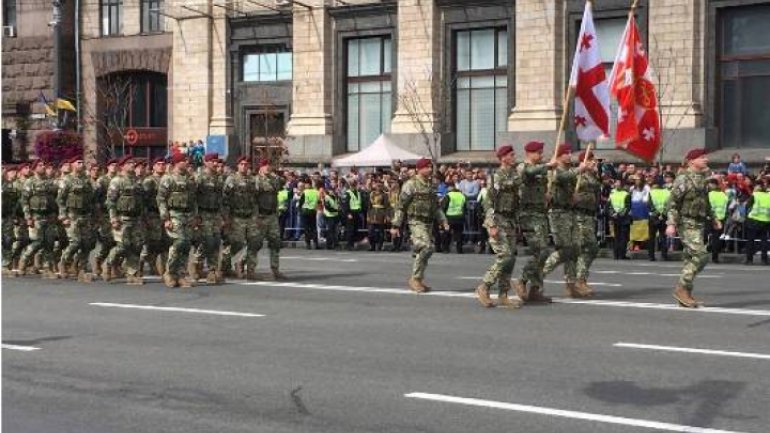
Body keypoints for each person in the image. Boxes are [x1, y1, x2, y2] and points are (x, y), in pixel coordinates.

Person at [666, 148, 720, 308]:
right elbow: (672, 203)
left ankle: (685, 295)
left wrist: (714, 217)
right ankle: (682, 287)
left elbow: (705, 201)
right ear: (691, 161)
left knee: (690, 258)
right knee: (701, 255)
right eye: (702, 157)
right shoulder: (683, 179)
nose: (706, 160)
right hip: (686, 222)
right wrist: (671, 223)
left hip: (699, 223)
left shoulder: (701, 178)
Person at [476, 145, 523, 308]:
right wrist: (491, 224)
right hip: (498, 219)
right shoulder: (497, 177)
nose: (514, 156)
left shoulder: (514, 175)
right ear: (503, 158)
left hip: (510, 221)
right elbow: (488, 202)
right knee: (505, 256)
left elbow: (516, 201)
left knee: (511, 259)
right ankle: (484, 286)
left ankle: (503, 294)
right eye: (511, 155)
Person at [391, 158, 448, 293]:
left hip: (428, 222)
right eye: (427, 167)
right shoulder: (411, 185)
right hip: (416, 221)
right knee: (427, 247)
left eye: (430, 167)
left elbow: (436, 207)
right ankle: (415, 279)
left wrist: (443, 221)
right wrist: (395, 225)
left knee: (425, 251)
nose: (430, 169)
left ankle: (419, 279)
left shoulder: (431, 185)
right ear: (419, 168)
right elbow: (401, 206)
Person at [541, 144, 585, 298]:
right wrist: (579, 169)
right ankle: (538, 274)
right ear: (559, 156)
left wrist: (574, 197)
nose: (570, 155)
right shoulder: (555, 170)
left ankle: (570, 284)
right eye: (567, 153)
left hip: (569, 212)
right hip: (557, 213)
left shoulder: (568, 170)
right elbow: (561, 178)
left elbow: (569, 185)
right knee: (565, 249)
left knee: (575, 248)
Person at [514, 141, 554, 303]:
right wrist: (548, 166)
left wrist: (547, 196)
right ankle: (522, 280)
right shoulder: (522, 167)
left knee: (542, 253)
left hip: (541, 213)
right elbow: (529, 173)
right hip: (528, 215)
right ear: (529, 153)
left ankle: (535, 289)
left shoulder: (542, 168)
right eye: (538, 152)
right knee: (542, 251)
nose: (541, 155)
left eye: (541, 152)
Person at [158, 153, 199, 288]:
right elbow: (161, 199)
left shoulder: (190, 179)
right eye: (184, 160)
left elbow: (193, 200)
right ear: (177, 162)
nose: (187, 163)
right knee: (179, 242)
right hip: (174, 214)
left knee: (186, 244)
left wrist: (195, 217)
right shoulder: (168, 178)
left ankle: (181, 274)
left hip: (187, 215)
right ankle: (170, 272)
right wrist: (166, 218)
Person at [104, 156, 145, 285]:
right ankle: (109, 263)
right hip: (122, 219)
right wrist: (113, 218)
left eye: (133, 162)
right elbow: (111, 202)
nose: (133, 164)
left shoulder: (137, 181)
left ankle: (132, 273)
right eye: (129, 163)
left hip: (136, 218)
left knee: (136, 246)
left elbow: (141, 202)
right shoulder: (117, 181)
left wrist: (143, 217)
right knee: (123, 245)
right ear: (122, 166)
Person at [56, 156, 96, 282]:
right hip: (71, 215)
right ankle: (63, 262)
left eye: (82, 162)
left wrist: (94, 215)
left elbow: (91, 200)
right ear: (72, 164)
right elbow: (60, 200)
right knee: (75, 242)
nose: (81, 164)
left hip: (85, 215)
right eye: (78, 162)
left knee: (86, 244)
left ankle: (82, 268)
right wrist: (63, 216)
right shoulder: (67, 180)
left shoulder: (86, 180)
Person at [221, 156, 259, 280]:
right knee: (236, 243)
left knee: (254, 242)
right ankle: (224, 265)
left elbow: (255, 200)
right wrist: (226, 218)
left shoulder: (252, 180)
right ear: (238, 165)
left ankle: (250, 270)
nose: (244, 166)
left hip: (250, 216)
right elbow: (225, 200)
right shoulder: (231, 179)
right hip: (236, 216)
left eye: (246, 164)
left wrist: (256, 216)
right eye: (242, 164)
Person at [19, 160, 58, 278]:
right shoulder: (30, 182)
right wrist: (28, 217)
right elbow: (24, 201)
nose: (43, 167)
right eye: (40, 166)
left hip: (49, 216)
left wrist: (55, 213)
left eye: (43, 165)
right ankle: (24, 260)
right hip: (36, 216)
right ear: (35, 168)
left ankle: (47, 268)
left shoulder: (49, 182)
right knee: (38, 241)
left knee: (49, 242)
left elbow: (54, 198)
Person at [193, 153, 226, 284]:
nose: (215, 163)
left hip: (215, 214)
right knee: (207, 241)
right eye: (212, 161)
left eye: (216, 161)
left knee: (216, 241)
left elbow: (221, 199)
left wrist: (223, 216)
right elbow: (192, 198)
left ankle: (212, 271)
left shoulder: (219, 178)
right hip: (203, 213)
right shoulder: (198, 177)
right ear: (205, 162)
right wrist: (196, 216)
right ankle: (197, 262)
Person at [573, 149, 601, 298]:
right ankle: (578, 281)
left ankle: (579, 280)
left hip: (589, 216)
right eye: (590, 159)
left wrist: (595, 172)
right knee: (587, 247)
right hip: (579, 216)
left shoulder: (591, 175)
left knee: (589, 248)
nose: (594, 162)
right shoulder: (577, 174)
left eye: (593, 159)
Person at [254, 158, 286, 280]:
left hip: (272, 216)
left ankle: (275, 269)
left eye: (269, 165)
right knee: (256, 243)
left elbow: (283, 183)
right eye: (265, 165)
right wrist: (255, 216)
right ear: (260, 167)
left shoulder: (274, 180)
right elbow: (254, 199)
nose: (268, 167)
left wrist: (276, 175)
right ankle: (247, 267)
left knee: (275, 243)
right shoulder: (256, 180)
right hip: (261, 215)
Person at [140, 158, 168, 276]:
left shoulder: (167, 179)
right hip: (152, 214)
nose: (161, 166)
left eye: (163, 164)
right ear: (154, 167)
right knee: (151, 242)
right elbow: (144, 200)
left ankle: (163, 268)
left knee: (165, 242)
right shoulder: (149, 181)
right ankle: (140, 265)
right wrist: (145, 217)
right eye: (158, 164)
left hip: (165, 214)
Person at [743, 178, 770, 265]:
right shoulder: (769, 195)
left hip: (753, 220)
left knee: (750, 240)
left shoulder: (755, 195)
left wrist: (747, 218)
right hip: (765, 220)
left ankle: (749, 259)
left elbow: (747, 206)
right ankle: (764, 260)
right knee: (764, 241)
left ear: (758, 187)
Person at [648, 177, 671, 261]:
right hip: (664, 217)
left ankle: (651, 256)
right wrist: (662, 214)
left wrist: (657, 214)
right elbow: (669, 205)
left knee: (651, 237)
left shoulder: (651, 192)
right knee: (663, 237)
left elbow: (649, 205)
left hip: (653, 217)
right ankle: (664, 255)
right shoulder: (668, 192)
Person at [608, 179, 631, 260]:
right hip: (618, 218)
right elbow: (609, 205)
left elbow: (627, 206)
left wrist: (615, 214)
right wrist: (613, 213)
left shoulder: (626, 194)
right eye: (616, 182)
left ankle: (621, 254)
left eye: (618, 182)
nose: (617, 184)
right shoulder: (612, 193)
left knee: (622, 237)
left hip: (622, 218)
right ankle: (617, 254)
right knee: (618, 237)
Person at [707, 178, 728, 263]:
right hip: (720, 219)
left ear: (713, 185)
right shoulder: (724, 195)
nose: (708, 186)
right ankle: (715, 257)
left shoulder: (709, 194)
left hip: (710, 218)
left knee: (703, 237)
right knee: (716, 238)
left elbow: (706, 207)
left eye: (710, 184)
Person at [367, 178, 389, 251]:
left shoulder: (384, 195)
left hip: (381, 213)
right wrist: (368, 215)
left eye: (380, 185)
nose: (378, 186)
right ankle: (372, 246)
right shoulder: (371, 194)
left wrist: (386, 216)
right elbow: (369, 206)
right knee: (370, 232)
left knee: (380, 232)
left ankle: (380, 246)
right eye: (377, 185)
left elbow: (386, 206)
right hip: (372, 213)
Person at [443, 182, 466, 254]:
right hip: (459, 217)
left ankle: (446, 249)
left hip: (449, 217)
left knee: (447, 233)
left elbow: (444, 206)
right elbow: (465, 207)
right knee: (459, 234)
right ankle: (459, 250)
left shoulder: (448, 195)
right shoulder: (462, 195)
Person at [298, 178, 320, 250]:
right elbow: (318, 201)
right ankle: (315, 243)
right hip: (313, 211)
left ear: (308, 184)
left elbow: (301, 202)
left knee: (307, 228)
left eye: (306, 184)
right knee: (314, 228)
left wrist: (299, 210)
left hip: (305, 211)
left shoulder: (305, 192)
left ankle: (308, 244)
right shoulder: (316, 192)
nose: (305, 185)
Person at [342, 179, 363, 251]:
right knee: (350, 230)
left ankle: (353, 243)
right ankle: (349, 244)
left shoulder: (358, 192)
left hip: (357, 213)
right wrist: (348, 213)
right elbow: (345, 205)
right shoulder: (347, 193)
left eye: (354, 184)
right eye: (352, 184)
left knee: (355, 229)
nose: (353, 185)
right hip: (350, 213)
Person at [323, 180, 341, 250]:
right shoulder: (327, 197)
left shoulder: (335, 197)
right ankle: (329, 245)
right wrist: (337, 210)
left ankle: (335, 244)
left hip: (335, 216)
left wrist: (338, 209)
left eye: (334, 190)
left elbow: (337, 205)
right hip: (329, 216)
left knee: (334, 231)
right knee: (330, 231)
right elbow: (328, 208)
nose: (333, 191)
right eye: (331, 190)